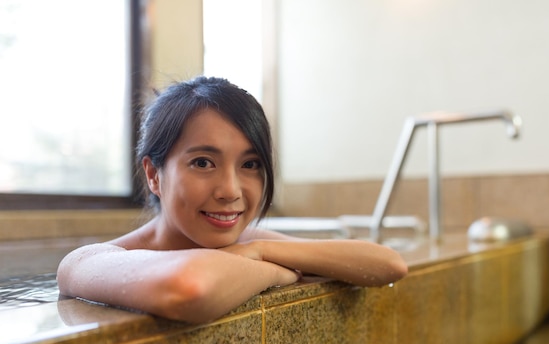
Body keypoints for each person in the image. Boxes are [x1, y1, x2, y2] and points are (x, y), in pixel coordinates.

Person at [57, 76, 408, 324]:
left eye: (250, 164)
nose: (231, 191)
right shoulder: (86, 261)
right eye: (203, 163)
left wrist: (256, 251)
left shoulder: (250, 243)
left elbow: (388, 265)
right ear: (153, 174)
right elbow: (188, 288)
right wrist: (265, 263)